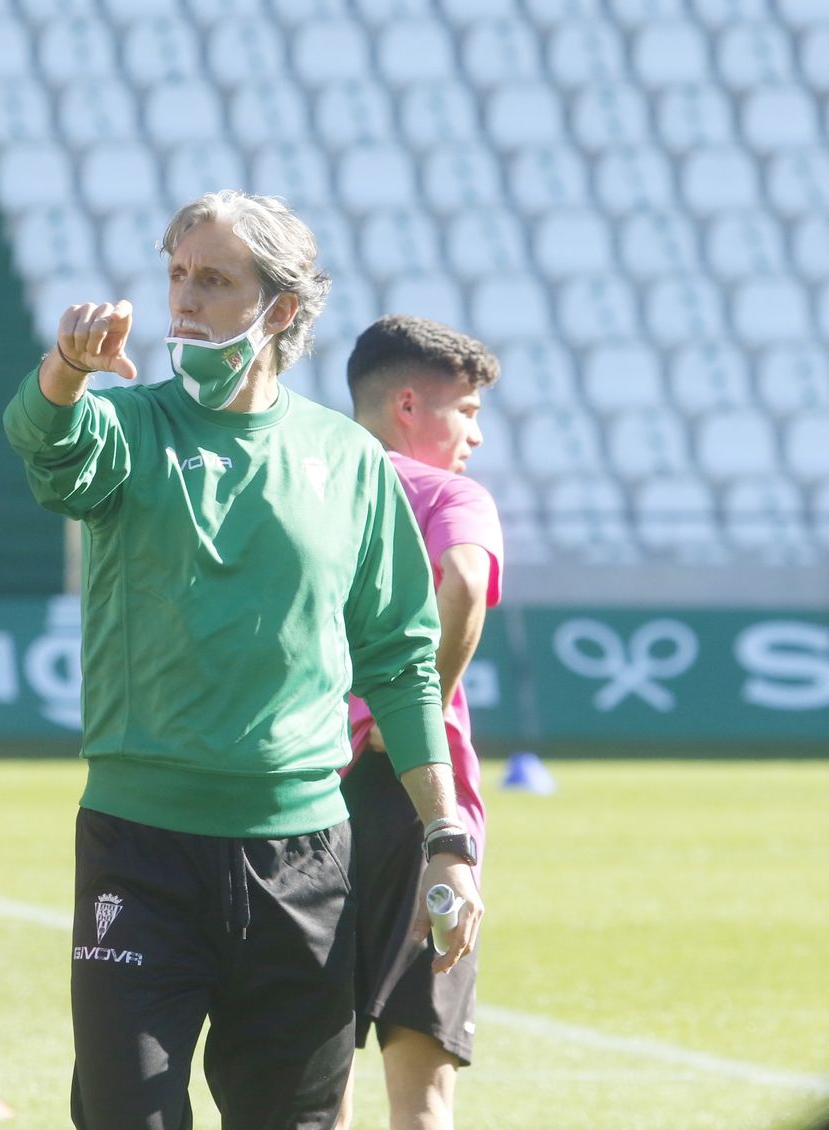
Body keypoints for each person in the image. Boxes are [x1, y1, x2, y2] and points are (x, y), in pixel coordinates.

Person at [2, 188, 483, 1130]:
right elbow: (45, 445)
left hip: (304, 857)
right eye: (177, 274)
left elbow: (402, 663)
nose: (184, 299)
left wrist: (447, 838)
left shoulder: (348, 461)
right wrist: (65, 371)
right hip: (136, 852)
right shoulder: (132, 426)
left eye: (215, 280)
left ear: (285, 310)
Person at [337, 315, 503, 1130]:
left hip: (301, 791)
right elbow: (466, 583)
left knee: (314, 1068)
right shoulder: (449, 493)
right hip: (412, 803)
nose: (476, 433)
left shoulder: (307, 477)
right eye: (466, 410)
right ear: (410, 404)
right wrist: (412, 713)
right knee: (421, 1084)